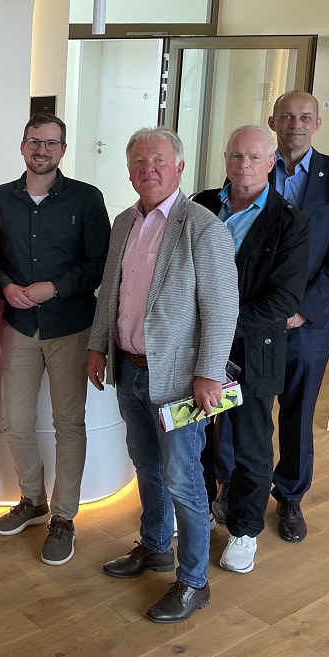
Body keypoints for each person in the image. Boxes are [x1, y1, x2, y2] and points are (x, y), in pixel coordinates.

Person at [86, 127, 238, 624]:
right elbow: (111, 290)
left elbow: (221, 308)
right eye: (137, 161)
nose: (146, 168)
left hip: (178, 381)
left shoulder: (202, 226)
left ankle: (194, 581)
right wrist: (96, 347)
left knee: (183, 477)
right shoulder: (123, 223)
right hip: (130, 371)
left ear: (179, 167)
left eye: (157, 159)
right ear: (128, 170)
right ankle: (155, 547)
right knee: (145, 466)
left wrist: (209, 373)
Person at [0, 113, 110, 566]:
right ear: (22, 147)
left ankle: (63, 517)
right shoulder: (0, 199)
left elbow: (100, 264)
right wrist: (5, 286)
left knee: (68, 424)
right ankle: (32, 501)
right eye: (35, 142)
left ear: (62, 149)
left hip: (70, 327)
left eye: (52, 143)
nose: (43, 150)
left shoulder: (87, 199)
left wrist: (54, 287)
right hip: (19, 328)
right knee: (15, 422)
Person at [193, 125, 309, 573]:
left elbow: (284, 299)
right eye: (237, 156)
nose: (244, 165)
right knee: (194, 435)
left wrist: (223, 324)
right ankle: (200, 508)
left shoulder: (289, 222)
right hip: (194, 347)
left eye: (255, 158)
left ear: (270, 163)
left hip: (252, 350)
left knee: (251, 444)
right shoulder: (201, 205)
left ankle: (244, 530)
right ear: (225, 158)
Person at [261, 91, 329, 543]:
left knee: (298, 412)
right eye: (287, 116)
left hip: (309, 321)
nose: (296, 123)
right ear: (273, 121)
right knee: (244, 407)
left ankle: (290, 497)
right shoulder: (253, 168)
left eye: (305, 116)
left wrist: (304, 309)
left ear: (317, 123)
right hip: (255, 319)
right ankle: (238, 487)